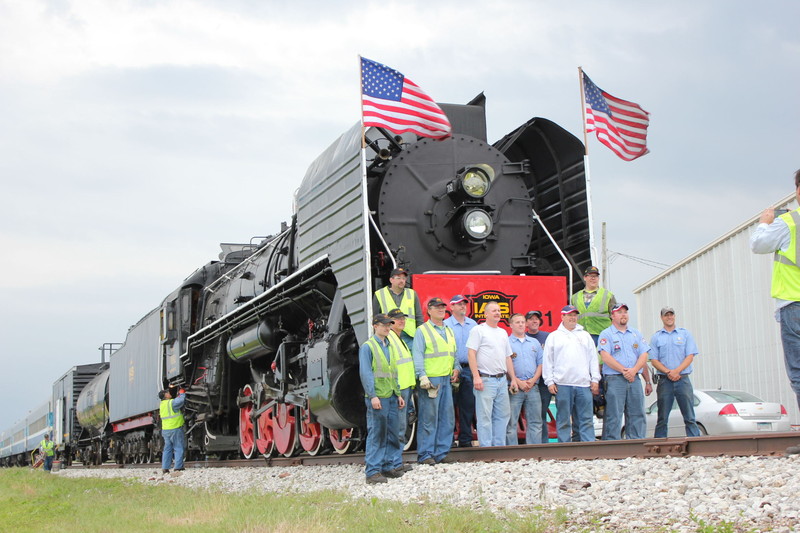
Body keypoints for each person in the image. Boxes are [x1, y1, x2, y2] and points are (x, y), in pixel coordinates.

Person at [750, 170, 800, 455]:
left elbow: (758, 244)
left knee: (798, 373)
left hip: (794, 305)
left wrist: (764, 223)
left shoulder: (788, 222)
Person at [359, 313, 406, 483]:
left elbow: (393, 372)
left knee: (392, 433)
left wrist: (399, 394)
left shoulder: (389, 345)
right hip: (378, 396)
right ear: (375, 326)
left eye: (388, 325)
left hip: (392, 395)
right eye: (384, 325)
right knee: (377, 434)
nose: (387, 327)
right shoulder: (368, 347)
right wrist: (372, 396)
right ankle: (372, 472)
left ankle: (388, 466)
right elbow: (366, 373)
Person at [543, 305, 600, 442]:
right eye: (569, 315)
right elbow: (548, 360)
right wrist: (549, 381)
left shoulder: (585, 335)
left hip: (583, 384)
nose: (573, 318)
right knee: (563, 419)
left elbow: (593, 358)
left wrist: (595, 379)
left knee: (586, 419)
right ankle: (564, 448)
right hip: (563, 384)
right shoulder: (554, 337)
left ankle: (587, 446)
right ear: (562, 317)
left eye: (574, 315)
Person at [412, 297, 459, 464]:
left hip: (446, 378)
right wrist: (422, 376)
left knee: (447, 417)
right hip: (431, 381)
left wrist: (456, 368)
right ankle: (425, 455)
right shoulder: (422, 331)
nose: (441, 310)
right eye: (437, 307)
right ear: (429, 311)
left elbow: (453, 353)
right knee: (429, 418)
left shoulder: (448, 330)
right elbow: (417, 354)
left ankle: (441, 453)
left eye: (442, 307)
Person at [598, 303, 652, 440]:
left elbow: (644, 354)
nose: (623, 315)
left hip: (634, 379)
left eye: (625, 312)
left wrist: (633, 371)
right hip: (615, 379)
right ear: (612, 315)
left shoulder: (636, 333)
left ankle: (637, 442)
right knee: (614, 414)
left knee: (637, 412)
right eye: (619, 312)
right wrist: (624, 370)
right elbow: (605, 356)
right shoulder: (606, 334)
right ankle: (612, 446)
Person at [649, 307, 701, 438]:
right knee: (662, 417)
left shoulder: (685, 334)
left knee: (689, 415)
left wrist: (677, 371)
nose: (669, 317)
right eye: (666, 315)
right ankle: (660, 445)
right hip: (665, 380)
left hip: (682, 379)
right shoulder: (656, 337)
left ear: (675, 316)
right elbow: (653, 360)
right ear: (662, 317)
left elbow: (690, 356)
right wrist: (668, 372)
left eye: (671, 314)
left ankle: (695, 442)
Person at [467, 301, 513, 447]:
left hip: (501, 380)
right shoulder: (478, 330)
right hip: (485, 380)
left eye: (499, 310)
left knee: (502, 416)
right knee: (484, 417)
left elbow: (507, 357)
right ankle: (486, 448)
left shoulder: (503, 332)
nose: (497, 313)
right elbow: (471, 353)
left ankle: (499, 447)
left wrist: (513, 379)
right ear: (485, 314)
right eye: (493, 310)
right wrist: (476, 377)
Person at [444, 294, 478, 447]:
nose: (463, 306)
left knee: (468, 406)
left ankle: (465, 439)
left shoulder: (473, 324)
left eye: (464, 303)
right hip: (450, 370)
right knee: (449, 406)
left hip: (469, 370)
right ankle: (449, 440)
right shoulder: (445, 325)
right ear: (451, 307)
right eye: (459, 304)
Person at [505, 313, 543, 445]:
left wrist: (532, 381)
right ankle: (512, 452)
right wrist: (517, 381)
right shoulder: (506, 343)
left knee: (536, 422)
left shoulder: (534, 343)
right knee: (511, 422)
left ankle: (534, 451)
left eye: (522, 322)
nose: (521, 324)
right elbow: (504, 366)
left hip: (533, 387)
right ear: (510, 325)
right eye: (517, 322)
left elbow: (541, 363)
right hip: (514, 387)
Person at [386, 307, 417, 452]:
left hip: (405, 386)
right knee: (398, 425)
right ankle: (394, 461)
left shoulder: (399, 338)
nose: (402, 321)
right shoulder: (390, 339)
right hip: (398, 387)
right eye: (398, 319)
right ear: (390, 322)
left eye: (403, 318)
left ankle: (396, 460)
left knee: (401, 425)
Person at [373, 267, 423, 341]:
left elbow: (419, 317)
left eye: (403, 278)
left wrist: (420, 336)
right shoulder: (380, 294)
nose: (402, 281)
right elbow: (376, 318)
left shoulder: (412, 294)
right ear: (391, 280)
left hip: (410, 336)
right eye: (398, 278)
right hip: (389, 335)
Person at [570, 266, 617, 344]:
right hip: (581, 336)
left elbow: (615, 317)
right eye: (590, 276)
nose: (593, 278)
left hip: (602, 335)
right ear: (585, 278)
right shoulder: (575, 297)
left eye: (595, 276)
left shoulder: (608, 295)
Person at [526, 310, 552, 443]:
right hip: (527, 384)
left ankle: (543, 444)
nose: (534, 321)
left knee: (541, 414)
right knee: (530, 416)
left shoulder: (548, 337)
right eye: (531, 319)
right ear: (526, 323)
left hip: (544, 383)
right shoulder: (522, 337)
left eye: (537, 319)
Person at [159, 387, 186, 474]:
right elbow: (181, 401)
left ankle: (165, 467)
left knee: (167, 449)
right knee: (178, 447)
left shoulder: (162, 404)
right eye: (167, 392)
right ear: (165, 395)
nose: (169, 393)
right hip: (175, 428)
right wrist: (182, 393)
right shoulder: (171, 403)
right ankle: (178, 467)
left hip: (166, 430)